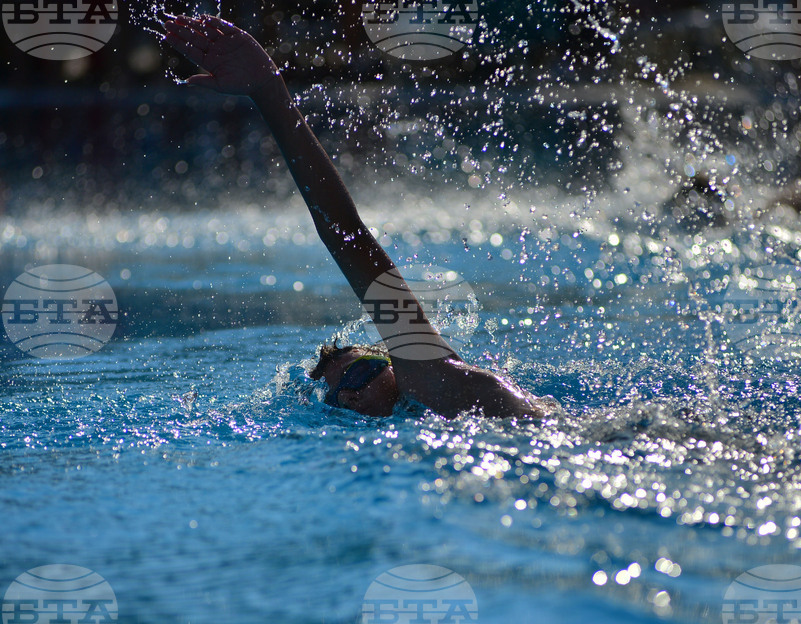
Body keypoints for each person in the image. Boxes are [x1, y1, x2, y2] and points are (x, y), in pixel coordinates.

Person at [163, 15, 548, 419]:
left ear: (395, 360)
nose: (351, 397)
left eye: (358, 375)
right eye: (337, 398)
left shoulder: (431, 379)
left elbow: (346, 233)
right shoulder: (407, 427)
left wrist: (268, 92)